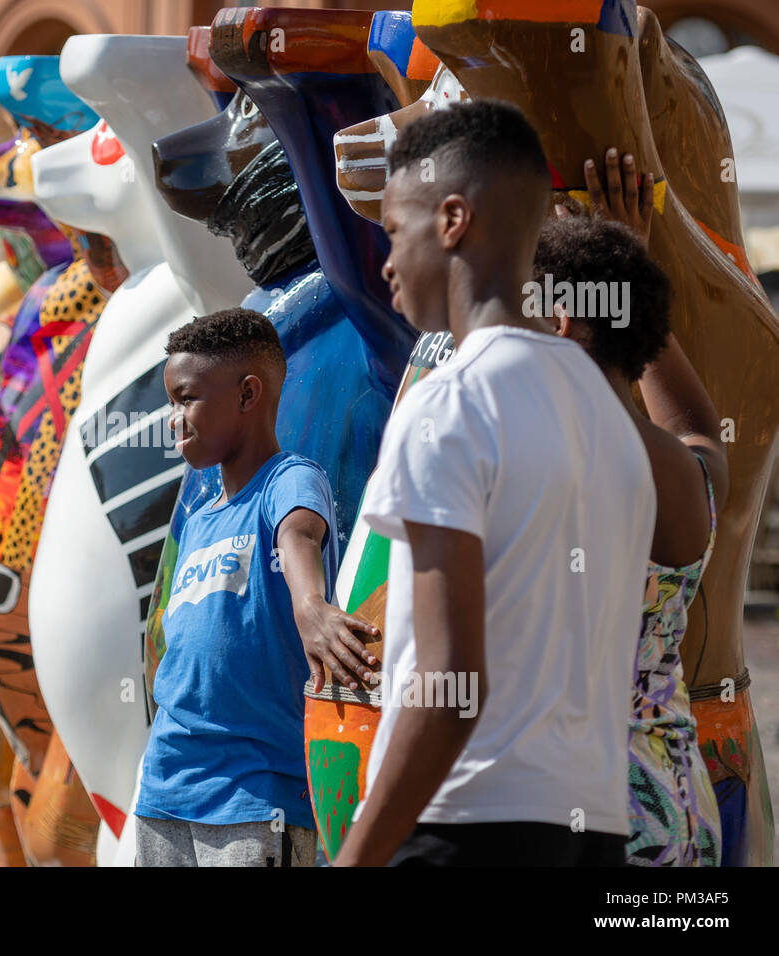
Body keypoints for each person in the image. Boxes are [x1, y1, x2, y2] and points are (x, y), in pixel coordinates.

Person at [333, 100, 655, 866]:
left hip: (462, 823)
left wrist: (355, 858)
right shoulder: (608, 413)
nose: (384, 263)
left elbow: (448, 690)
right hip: (597, 827)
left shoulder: (450, 401)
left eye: (393, 232)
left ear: (452, 220)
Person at [540, 148, 726, 865]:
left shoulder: (534, 463)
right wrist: (626, 273)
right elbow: (697, 428)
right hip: (675, 809)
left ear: (557, 326)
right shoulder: (682, 472)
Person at [134, 307, 367, 866]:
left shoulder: (287, 480)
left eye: (186, 398)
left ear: (247, 395)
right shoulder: (197, 517)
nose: (175, 419)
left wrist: (310, 604)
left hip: (255, 795)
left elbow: (300, 535)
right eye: (171, 402)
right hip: (164, 786)